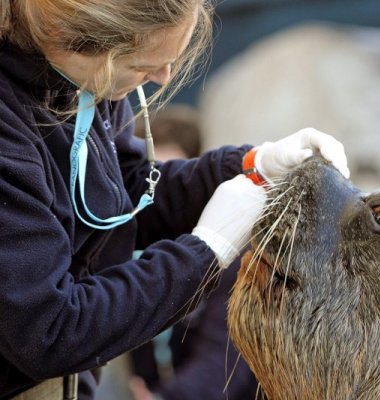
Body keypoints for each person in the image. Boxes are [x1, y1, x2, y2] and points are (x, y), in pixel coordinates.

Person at [0, 1, 349, 399]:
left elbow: (122, 196)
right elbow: (49, 332)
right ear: (79, 42)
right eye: (143, 66)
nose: (163, 79)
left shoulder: (85, 78)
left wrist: (251, 166)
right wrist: (206, 250)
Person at [126, 106, 259, 400]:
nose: (154, 193)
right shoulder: (126, 250)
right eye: (147, 176)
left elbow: (224, 360)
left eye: (168, 174)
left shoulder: (234, 257)